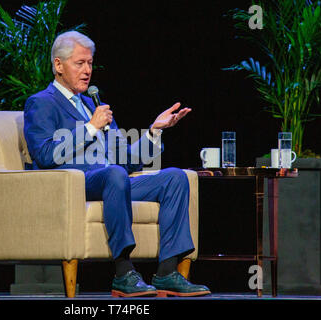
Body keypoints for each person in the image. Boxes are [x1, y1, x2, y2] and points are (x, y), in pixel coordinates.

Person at [24, 30, 210, 297]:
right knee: (114, 174)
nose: (87, 70)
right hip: (73, 184)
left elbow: (126, 161)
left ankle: (167, 273)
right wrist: (89, 128)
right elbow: (44, 154)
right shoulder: (41, 103)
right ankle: (124, 272)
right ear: (58, 65)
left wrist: (154, 132)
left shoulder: (93, 104)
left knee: (175, 177)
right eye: (80, 63)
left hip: (113, 181)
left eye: (89, 63)